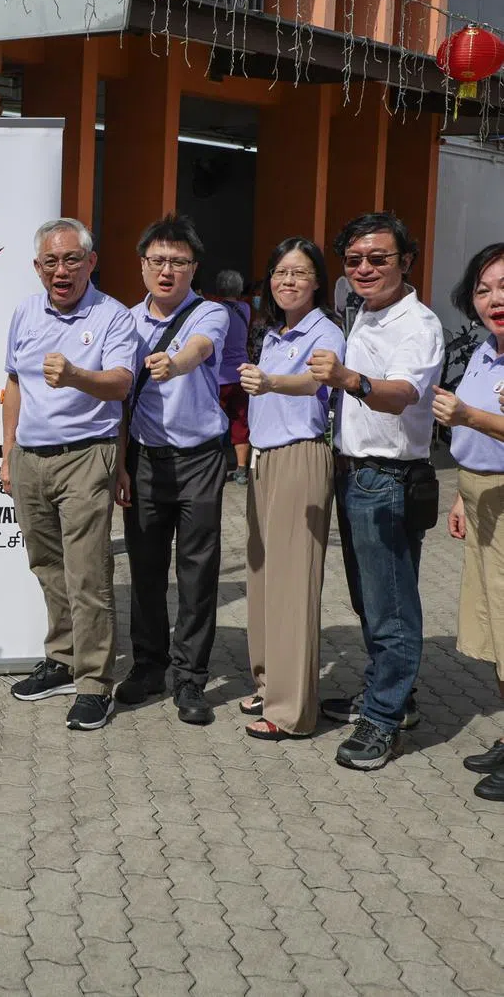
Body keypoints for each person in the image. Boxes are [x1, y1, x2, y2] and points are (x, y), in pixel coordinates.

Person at [310, 211, 443, 770]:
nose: (364, 269)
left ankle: (384, 721)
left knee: (391, 608)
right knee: (369, 600)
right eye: (355, 260)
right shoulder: (363, 312)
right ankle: (394, 697)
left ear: (406, 262)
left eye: (378, 258)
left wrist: (350, 380)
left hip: (389, 478)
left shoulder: (420, 323)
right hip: (354, 471)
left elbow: (403, 395)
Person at [1, 219, 137, 731]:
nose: (62, 271)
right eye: (51, 262)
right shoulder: (24, 311)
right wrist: (8, 450)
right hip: (31, 459)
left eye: (72, 259)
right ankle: (61, 659)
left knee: (87, 574)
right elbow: (13, 382)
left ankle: (95, 683)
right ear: (38, 268)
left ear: (91, 262)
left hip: (87, 456)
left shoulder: (113, 318)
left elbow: (122, 384)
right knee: (47, 565)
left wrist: (77, 375)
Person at [115, 214, 230, 726]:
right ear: (141, 265)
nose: (167, 271)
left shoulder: (212, 313)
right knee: (144, 567)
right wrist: (119, 464)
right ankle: (147, 666)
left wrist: (175, 363)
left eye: (178, 262)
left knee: (198, 571)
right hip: (142, 459)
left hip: (200, 458)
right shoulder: (123, 322)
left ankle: (191, 679)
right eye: (157, 260)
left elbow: (198, 350)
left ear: (193, 267)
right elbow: (116, 400)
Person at [236, 238, 344, 740]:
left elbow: (315, 383)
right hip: (264, 458)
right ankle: (268, 681)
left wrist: (274, 383)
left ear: (318, 281)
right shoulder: (277, 333)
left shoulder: (324, 331)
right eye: (280, 272)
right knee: (262, 576)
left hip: (300, 456)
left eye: (299, 273)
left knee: (293, 583)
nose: (288, 281)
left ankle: (292, 709)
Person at [432, 244, 504, 800]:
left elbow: (476, 420)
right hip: (481, 497)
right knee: (492, 621)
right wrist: (460, 494)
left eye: (503, 287)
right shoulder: (487, 351)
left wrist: (468, 414)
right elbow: (476, 440)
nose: (493, 300)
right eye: (483, 290)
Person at [213, 269, 252, 484]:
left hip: (219, 378)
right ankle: (241, 469)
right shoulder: (245, 309)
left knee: (214, 424)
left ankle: (215, 467)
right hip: (241, 374)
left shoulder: (216, 311)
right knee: (240, 421)